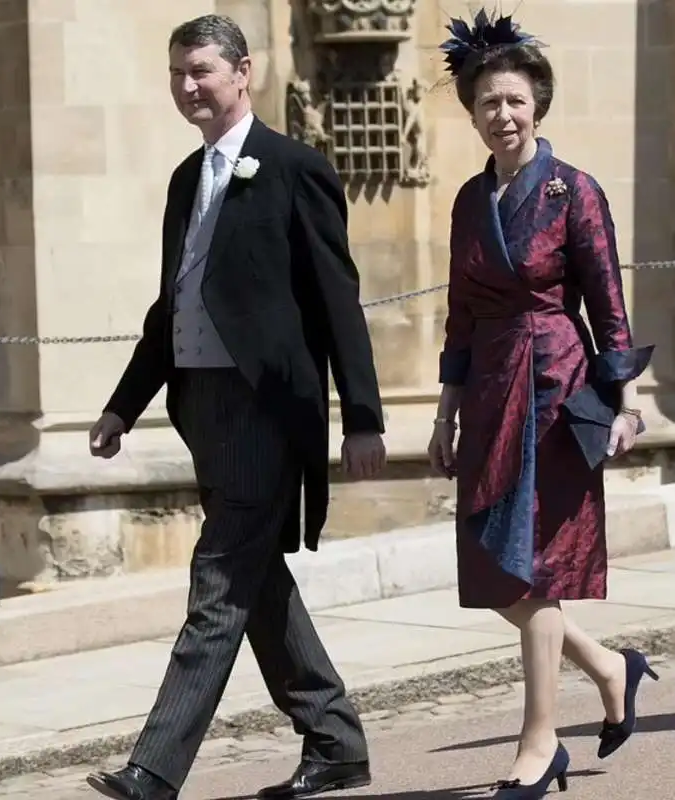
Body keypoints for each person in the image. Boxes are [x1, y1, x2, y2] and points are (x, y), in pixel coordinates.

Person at [85, 14, 386, 800]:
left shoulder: (294, 167)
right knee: (256, 578)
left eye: (202, 71)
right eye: (179, 72)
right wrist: (123, 407)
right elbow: (172, 305)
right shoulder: (188, 179)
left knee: (217, 582)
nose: (189, 86)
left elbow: (336, 301)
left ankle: (154, 769)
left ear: (242, 71)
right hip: (201, 405)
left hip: (265, 407)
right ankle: (334, 737)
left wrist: (363, 416)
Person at [428, 10, 659, 799]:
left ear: (538, 105)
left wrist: (625, 406)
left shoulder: (575, 192)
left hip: (557, 390)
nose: (503, 115)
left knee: (535, 573)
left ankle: (538, 744)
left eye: (516, 101)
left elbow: (609, 305)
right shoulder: (466, 201)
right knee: (494, 566)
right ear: (471, 113)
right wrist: (442, 412)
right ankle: (608, 666)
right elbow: (458, 313)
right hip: (490, 389)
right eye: (488, 102)